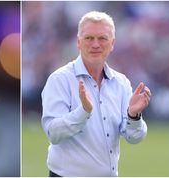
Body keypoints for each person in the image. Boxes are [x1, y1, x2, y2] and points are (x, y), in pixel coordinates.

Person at [41, 11, 151, 177]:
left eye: (102, 38)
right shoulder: (60, 79)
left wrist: (133, 115)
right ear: (78, 42)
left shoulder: (121, 83)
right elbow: (53, 134)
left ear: (112, 43)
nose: (95, 44)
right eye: (89, 38)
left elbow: (134, 138)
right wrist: (83, 112)